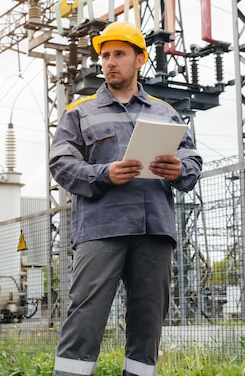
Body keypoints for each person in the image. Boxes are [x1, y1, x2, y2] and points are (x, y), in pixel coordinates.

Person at [49, 20, 203, 376]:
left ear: (140, 59)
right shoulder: (79, 111)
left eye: (119, 54)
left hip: (155, 231)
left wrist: (178, 169)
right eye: (105, 55)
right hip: (102, 228)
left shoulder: (166, 112)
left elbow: (192, 161)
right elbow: (61, 162)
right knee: (85, 314)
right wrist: (104, 174)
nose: (109, 62)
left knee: (148, 319)